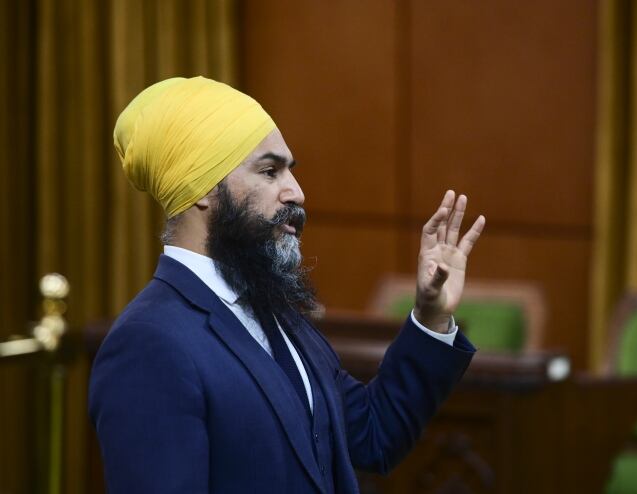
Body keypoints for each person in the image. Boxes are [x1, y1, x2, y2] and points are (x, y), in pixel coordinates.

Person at [88, 76, 486, 494]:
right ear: (203, 188)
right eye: (269, 171)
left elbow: (372, 438)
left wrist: (431, 315)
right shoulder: (147, 343)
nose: (295, 192)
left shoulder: (277, 314)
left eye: (289, 172)